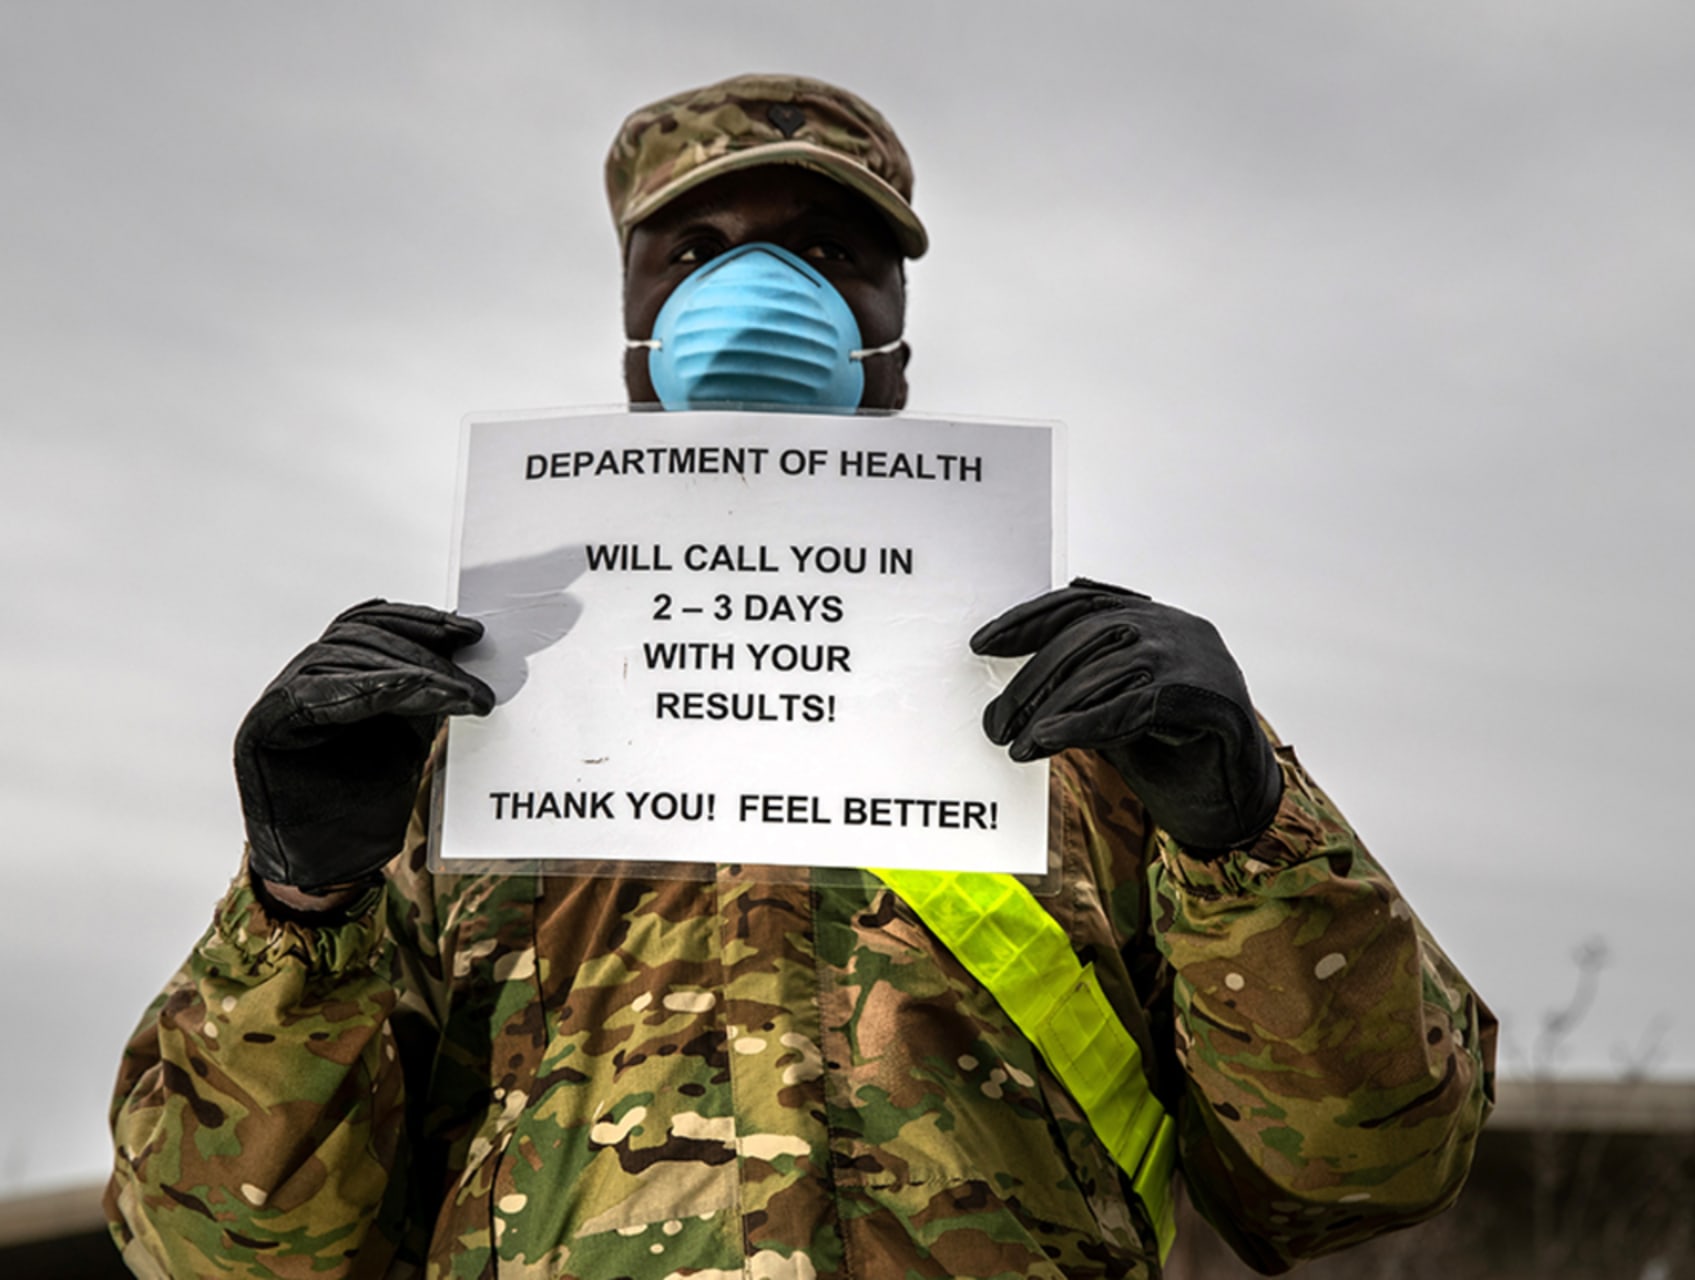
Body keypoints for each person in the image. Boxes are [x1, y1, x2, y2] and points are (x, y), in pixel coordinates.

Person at [107, 74, 1496, 1280]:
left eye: (831, 250)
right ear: (634, 322)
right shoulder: (468, 743)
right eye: (694, 250)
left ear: (896, 325)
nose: (761, 289)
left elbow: (1362, 1180)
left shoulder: (1095, 725)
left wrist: (1250, 839)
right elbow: (224, 1249)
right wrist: (301, 906)